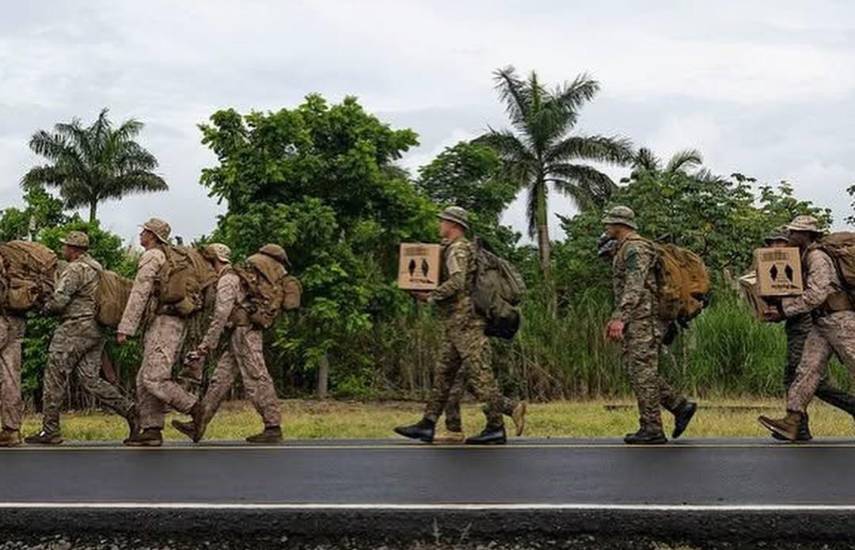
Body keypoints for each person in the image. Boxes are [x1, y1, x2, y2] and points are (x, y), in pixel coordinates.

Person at [394, 206, 526, 445]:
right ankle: (428, 423)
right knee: (444, 374)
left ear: (453, 225)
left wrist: (432, 296)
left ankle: (500, 421)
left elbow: (457, 281)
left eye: (442, 221)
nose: (439, 225)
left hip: (466, 322)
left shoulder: (457, 250)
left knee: (480, 376)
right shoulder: (456, 248)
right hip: (456, 323)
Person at [25, 231, 137, 445]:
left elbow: (59, 302)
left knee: (54, 375)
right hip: (96, 329)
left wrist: (42, 306)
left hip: (75, 328)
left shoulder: (75, 269)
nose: (63, 249)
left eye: (65, 246)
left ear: (74, 250)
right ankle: (130, 411)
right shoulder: (96, 267)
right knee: (90, 379)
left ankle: (50, 430)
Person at [602, 206, 697, 445]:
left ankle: (652, 427)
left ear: (621, 225)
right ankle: (679, 406)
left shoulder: (636, 248)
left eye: (610, 223)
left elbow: (635, 285)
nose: (606, 227)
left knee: (642, 372)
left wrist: (620, 317)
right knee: (640, 372)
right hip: (639, 318)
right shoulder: (625, 248)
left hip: (645, 318)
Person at [172, 244, 284, 444]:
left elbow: (221, 315)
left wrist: (207, 344)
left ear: (214, 260)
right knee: (220, 380)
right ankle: (199, 423)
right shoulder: (234, 277)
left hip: (243, 334)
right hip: (239, 334)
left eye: (207, 261)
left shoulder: (227, 280)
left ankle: (273, 426)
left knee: (257, 377)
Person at [759, 216, 855, 441]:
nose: (790, 235)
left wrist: (784, 309)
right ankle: (793, 420)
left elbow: (816, 294)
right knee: (807, 370)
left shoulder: (817, 257)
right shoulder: (803, 257)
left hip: (840, 321)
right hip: (821, 323)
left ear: (807, 235)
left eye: (795, 232)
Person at [118, 218, 203, 447]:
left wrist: (126, 328)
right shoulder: (168, 256)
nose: (141, 235)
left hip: (165, 322)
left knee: (154, 378)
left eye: (144, 231)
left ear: (152, 236)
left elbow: (140, 293)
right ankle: (152, 429)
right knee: (143, 379)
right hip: (168, 321)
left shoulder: (153, 256)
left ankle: (194, 407)